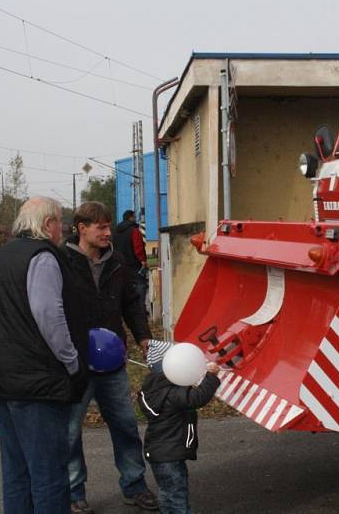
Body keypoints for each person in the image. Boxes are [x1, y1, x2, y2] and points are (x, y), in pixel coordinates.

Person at [0, 196, 89, 514]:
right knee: (49, 474)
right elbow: (49, 315)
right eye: (59, 222)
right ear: (48, 224)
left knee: (16, 472)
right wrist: (72, 361)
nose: (62, 229)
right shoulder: (44, 257)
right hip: (36, 384)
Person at [63, 201, 158, 514]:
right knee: (70, 431)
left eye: (108, 226)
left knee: (126, 424)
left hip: (112, 362)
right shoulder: (62, 261)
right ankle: (74, 492)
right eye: (101, 227)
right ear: (82, 229)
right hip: (75, 363)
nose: (108, 233)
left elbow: (132, 304)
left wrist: (143, 337)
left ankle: (134, 486)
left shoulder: (117, 261)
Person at [138, 344, 221, 514]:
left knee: (168, 493)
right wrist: (211, 377)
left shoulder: (155, 389)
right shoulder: (173, 393)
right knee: (177, 495)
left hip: (160, 454)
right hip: (170, 455)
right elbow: (198, 398)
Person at [114, 209, 149, 314]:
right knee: (139, 287)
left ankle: (125, 312)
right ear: (131, 217)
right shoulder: (134, 230)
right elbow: (138, 247)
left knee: (124, 289)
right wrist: (143, 260)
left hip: (119, 265)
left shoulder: (116, 231)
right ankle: (140, 311)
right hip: (134, 265)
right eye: (134, 216)